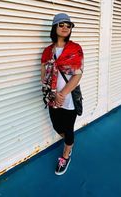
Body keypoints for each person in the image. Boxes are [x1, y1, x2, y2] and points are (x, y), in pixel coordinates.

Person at [41, 13, 84, 175]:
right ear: (55, 27)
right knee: (57, 126)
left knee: (68, 127)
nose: (65, 27)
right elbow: (43, 74)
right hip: (52, 97)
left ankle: (66, 154)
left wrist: (63, 94)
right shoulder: (47, 51)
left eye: (68, 25)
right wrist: (53, 93)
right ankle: (69, 141)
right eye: (61, 24)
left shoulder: (75, 48)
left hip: (69, 98)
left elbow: (78, 74)